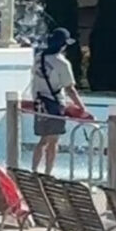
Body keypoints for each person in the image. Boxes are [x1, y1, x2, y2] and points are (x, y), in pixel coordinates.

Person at [31, 28, 88, 176]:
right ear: (63, 45)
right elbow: (70, 89)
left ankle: (34, 170)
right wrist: (81, 107)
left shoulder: (39, 58)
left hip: (39, 104)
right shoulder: (62, 63)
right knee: (53, 141)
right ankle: (48, 173)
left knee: (43, 140)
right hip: (55, 104)